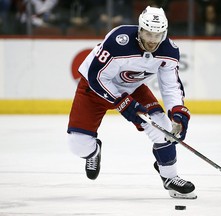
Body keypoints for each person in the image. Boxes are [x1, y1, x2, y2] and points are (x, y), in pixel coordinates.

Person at [67, 6, 196, 199]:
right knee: (78, 145)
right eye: (148, 33)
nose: (152, 40)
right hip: (94, 89)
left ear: (165, 32)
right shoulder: (119, 40)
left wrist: (177, 111)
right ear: (140, 30)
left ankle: (170, 177)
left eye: (157, 35)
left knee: (163, 127)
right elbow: (96, 76)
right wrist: (121, 102)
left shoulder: (169, 51)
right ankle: (93, 153)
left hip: (132, 87)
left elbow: (170, 86)